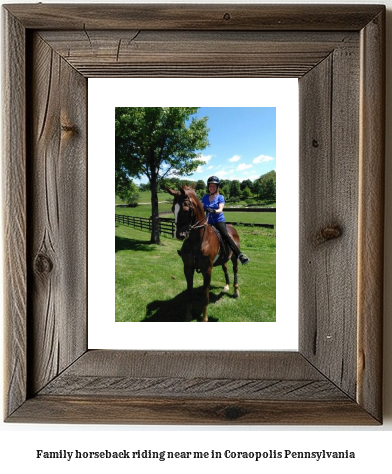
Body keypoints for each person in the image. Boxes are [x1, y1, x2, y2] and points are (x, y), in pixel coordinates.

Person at [202, 176, 249, 265]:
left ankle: (239, 255)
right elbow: (201, 208)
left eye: (214, 186)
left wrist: (213, 211)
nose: (212, 188)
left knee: (225, 235)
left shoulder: (220, 197)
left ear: (217, 187)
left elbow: (220, 209)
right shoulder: (205, 197)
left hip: (218, 221)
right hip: (208, 222)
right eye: (210, 186)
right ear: (208, 187)